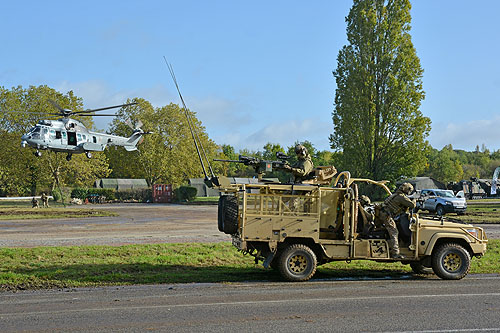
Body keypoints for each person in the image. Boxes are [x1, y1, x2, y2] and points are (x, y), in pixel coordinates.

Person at [378, 182, 416, 259]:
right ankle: (395, 253)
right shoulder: (401, 197)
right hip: (387, 216)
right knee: (394, 232)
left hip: (382, 214)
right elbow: (412, 205)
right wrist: (415, 200)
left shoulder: (395, 195)